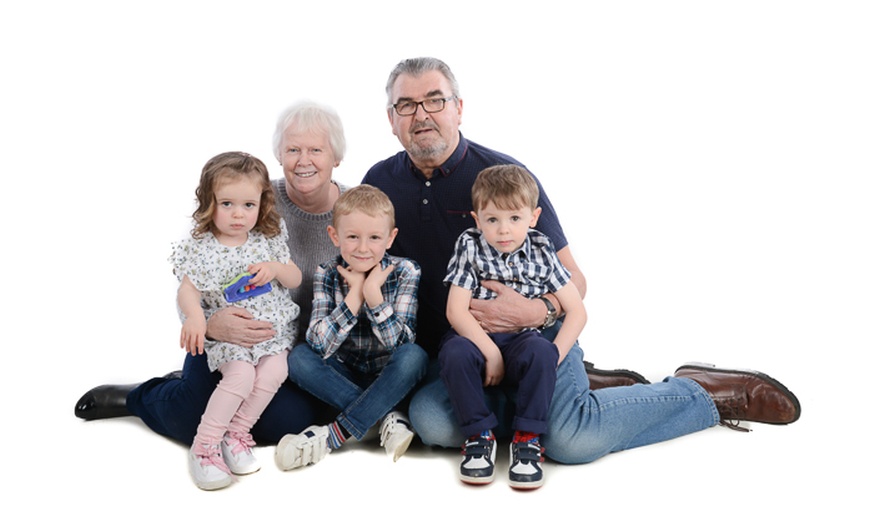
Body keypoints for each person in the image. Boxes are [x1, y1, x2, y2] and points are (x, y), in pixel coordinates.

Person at [361, 57, 801, 468]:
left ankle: (700, 394)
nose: (422, 114)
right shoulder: (379, 182)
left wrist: (537, 310)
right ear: (391, 119)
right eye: (406, 104)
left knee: (570, 441)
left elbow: (575, 279)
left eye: (435, 100)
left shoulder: (501, 176)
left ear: (458, 108)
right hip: (461, 351)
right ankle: (563, 397)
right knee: (432, 423)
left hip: (539, 335)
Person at [74, 101, 351, 445]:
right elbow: (198, 275)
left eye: (316, 150)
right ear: (279, 154)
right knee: (191, 416)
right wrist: (210, 324)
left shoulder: (356, 213)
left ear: (336, 156)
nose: (304, 160)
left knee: (284, 422)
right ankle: (139, 396)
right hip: (222, 336)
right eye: (293, 149)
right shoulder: (250, 196)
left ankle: (211, 409)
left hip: (287, 351)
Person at [440, 164, 587, 489]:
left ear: (533, 217)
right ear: (477, 219)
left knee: (539, 351)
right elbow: (456, 310)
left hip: (524, 340)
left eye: (515, 219)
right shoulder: (471, 245)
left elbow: (577, 310)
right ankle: (479, 435)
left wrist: (554, 356)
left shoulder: (542, 250)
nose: (503, 231)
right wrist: (490, 351)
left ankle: (528, 440)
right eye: (492, 220)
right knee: (454, 352)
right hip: (478, 337)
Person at [172, 152, 302, 490]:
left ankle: (237, 433)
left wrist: (275, 269)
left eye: (248, 205)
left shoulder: (267, 238)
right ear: (209, 201)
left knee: (276, 371)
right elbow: (187, 291)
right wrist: (197, 316)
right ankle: (204, 447)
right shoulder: (202, 247)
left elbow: (294, 278)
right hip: (230, 338)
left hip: (271, 335)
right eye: (227, 203)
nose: (238, 214)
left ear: (262, 203)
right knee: (242, 377)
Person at [275, 185, 428, 471]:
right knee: (298, 358)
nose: (362, 248)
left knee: (415, 356)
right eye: (352, 237)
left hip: (389, 377)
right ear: (334, 236)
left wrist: (372, 293)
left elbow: (401, 343)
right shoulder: (327, 272)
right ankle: (382, 415)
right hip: (342, 375)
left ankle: (334, 434)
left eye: (374, 238)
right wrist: (353, 297)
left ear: (391, 238)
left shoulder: (406, 270)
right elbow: (319, 344)